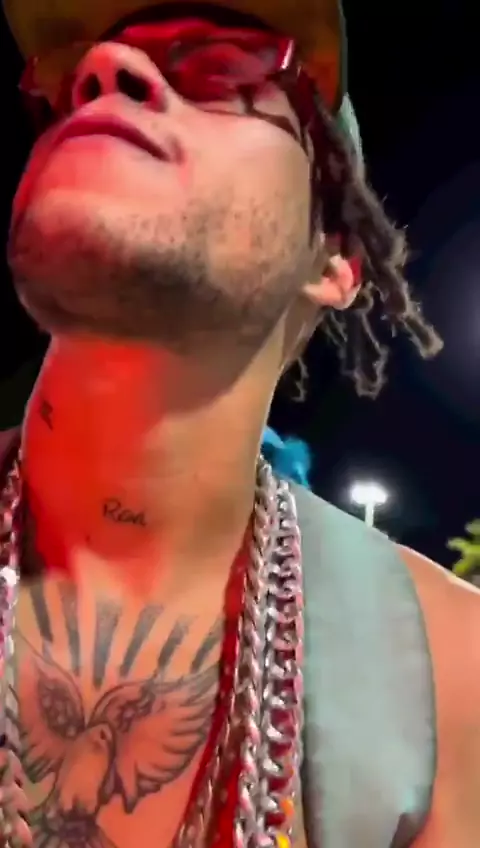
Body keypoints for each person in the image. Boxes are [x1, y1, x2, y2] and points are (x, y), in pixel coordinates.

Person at [0, 1, 479, 846]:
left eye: (223, 65)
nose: (106, 69)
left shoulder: (452, 679)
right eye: (74, 79)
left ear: (335, 258)